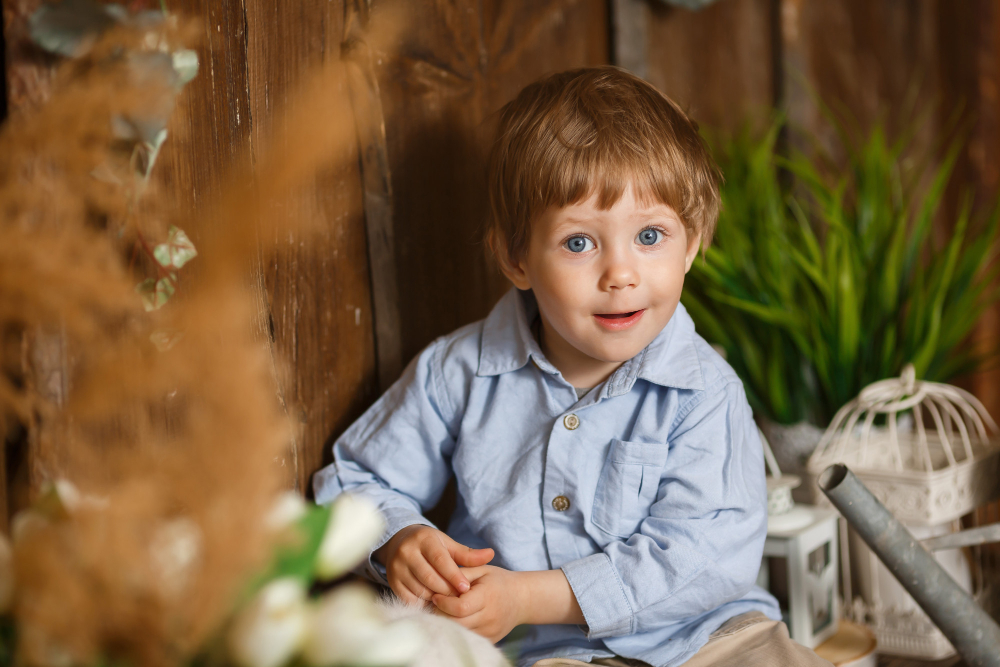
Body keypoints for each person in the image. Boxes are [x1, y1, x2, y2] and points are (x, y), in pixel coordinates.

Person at [313, 66, 832, 667]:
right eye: (579, 242)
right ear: (516, 258)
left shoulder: (703, 393)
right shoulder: (457, 373)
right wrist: (398, 540)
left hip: (707, 640)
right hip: (549, 654)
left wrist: (530, 595)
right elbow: (353, 480)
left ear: (692, 242)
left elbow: (703, 555)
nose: (621, 274)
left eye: (651, 235)